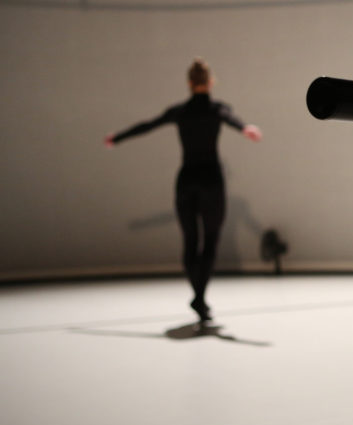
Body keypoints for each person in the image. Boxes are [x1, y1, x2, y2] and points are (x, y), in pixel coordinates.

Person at [105, 59, 262, 322]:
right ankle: (200, 299)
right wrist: (245, 128)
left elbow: (147, 125)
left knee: (191, 241)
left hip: (187, 180)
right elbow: (230, 118)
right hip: (211, 181)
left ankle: (199, 298)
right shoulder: (217, 108)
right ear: (211, 82)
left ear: (189, 83)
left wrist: (116, 138)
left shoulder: (180, 111)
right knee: (209, 242)